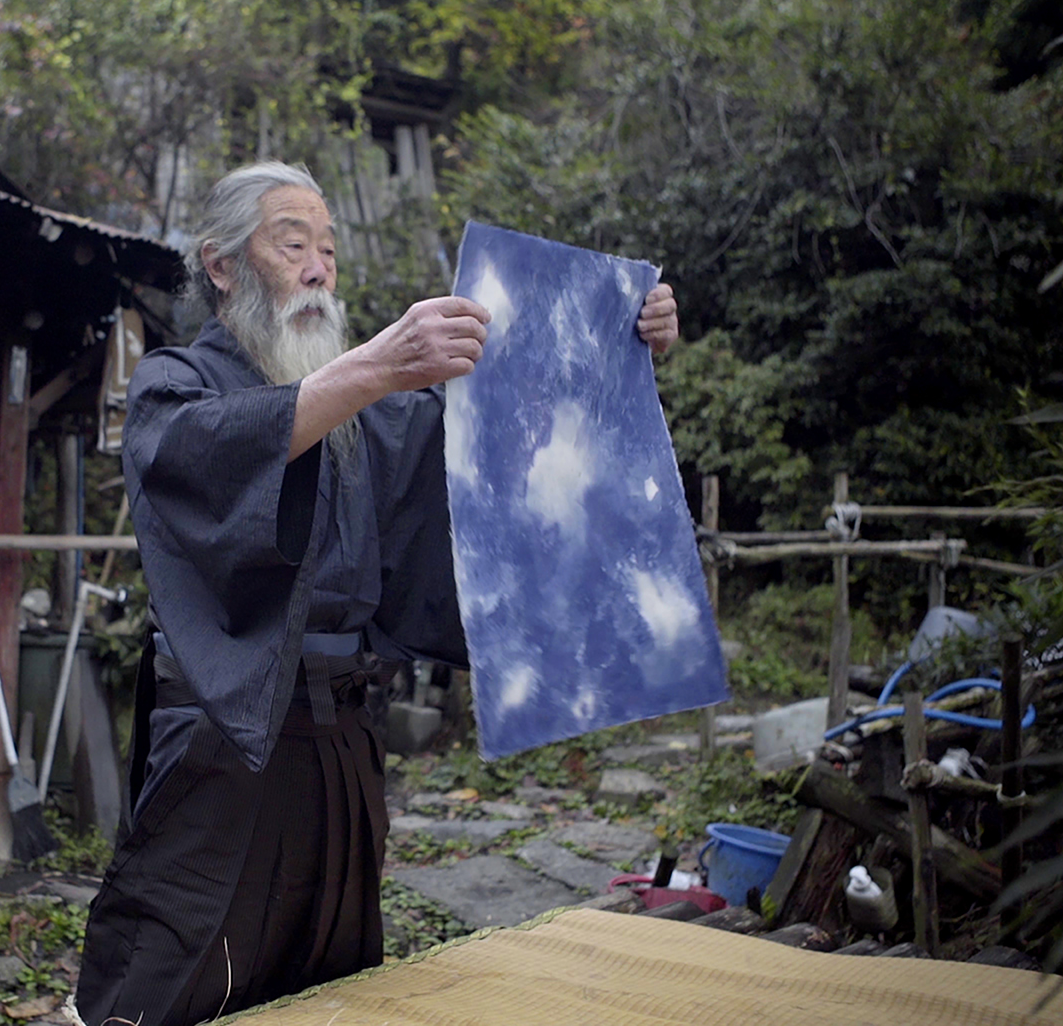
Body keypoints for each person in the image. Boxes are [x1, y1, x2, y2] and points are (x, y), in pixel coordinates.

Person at [73, 162, 680, 1026]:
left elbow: (504, 445)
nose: (320, 266)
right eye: (294, 244)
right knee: (174, 972)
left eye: (328, 247)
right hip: (227, 739)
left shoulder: (371, 405)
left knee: (331, 983)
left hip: (346, 736)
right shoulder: (179, 383)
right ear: (220, 265)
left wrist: (625, 342)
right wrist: (370, 370)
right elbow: (203, 452)